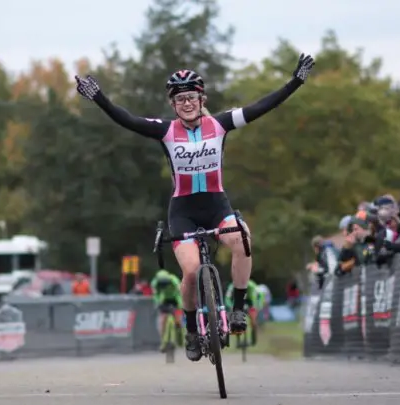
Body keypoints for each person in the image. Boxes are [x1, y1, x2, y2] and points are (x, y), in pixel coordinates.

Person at [74, 54, 316, 361]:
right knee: (190, 273)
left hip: (217, 205)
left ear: (202, 99)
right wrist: (99, 98)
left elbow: (261, 106)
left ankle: (238, 310)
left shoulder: (220, 124)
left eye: (191, 97)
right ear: (173, 104)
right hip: (183, 211)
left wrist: (295, 81)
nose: (187, 103)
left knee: (243, 240)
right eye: (180, 98)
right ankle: (191, 328)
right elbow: (128, 119)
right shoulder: (165, 131)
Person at [151, 270, 183, 352]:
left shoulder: (173, 279)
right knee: (162, 320)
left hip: (175, 299)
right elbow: (156, 295)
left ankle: (180, 336)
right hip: (165, 300)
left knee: (178, 319)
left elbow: (179, 290)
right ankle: (163, 341)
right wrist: (157, 303)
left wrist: (180, 305)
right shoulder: (155, 283)